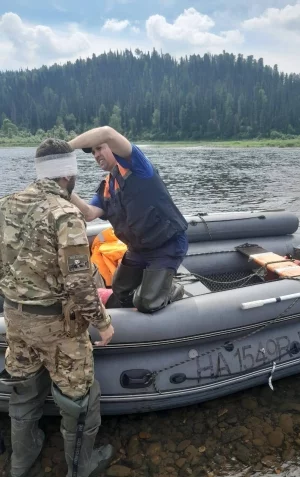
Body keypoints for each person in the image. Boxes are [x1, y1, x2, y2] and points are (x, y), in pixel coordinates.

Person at [0, 138, 115, 477]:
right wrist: (104, 322)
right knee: (79, 399)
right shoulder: (66, 214)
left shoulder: (6, 205)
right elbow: (80, 285)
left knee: (23, 389)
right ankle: (80, 467)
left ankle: (21, 461)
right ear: (68, 176)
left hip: (15, 319)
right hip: (57, 327)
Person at [69, 126, 188, 313]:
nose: (96, 155)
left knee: (147, 302)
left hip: (166, 245)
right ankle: (151, 285)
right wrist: (65, 190)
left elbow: (107, 132)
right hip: (138, 249)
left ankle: (172, 288)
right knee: (120, 291)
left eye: (100, 148)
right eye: (93, 152)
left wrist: (66, 147)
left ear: (113, 147)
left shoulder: (137, 167)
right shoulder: (107, 186)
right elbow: (89, 213)